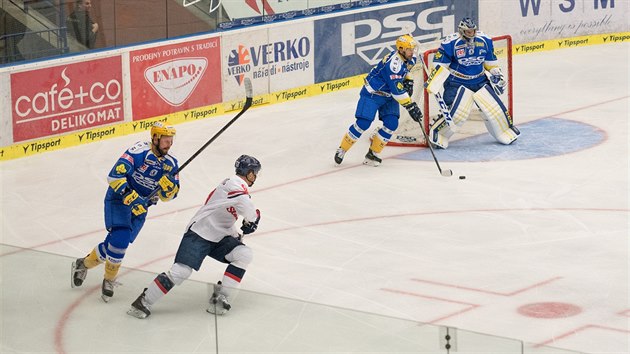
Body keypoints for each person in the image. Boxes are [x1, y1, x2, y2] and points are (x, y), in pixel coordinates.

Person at [127, 155, 262, 319]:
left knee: (244, 254)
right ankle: (144, 301)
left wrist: (237, 234)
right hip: (200, 233)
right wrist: (254, 219)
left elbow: (225, 217)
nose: (255, 177)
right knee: (180, 272)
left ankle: (221, 297)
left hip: (219, 238)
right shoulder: (235, 183)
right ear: (248, 172)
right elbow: (248, 210)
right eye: (254, 173)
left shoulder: (236, 191)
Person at [71, 122, 180, 302]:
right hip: (119, 199)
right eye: (166, 140)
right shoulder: (138, 152)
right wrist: (132, 196)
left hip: (141, 207)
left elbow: (170, 196)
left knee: (113, 247)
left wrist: (168, 191)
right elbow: (114, 176)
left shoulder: (171, 163)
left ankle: (82, 264)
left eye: (171, 140)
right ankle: (109, 280)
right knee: (120, 242)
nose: (169, 144)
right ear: (155, 138)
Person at [425, 17, 520, 149]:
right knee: (457, 114)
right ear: (462, 31)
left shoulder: (484, 40)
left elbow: (490, 63)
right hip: (457, 82)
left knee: (495, 111)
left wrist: (497, 75)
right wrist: (434, 79)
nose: (471, 33)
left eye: (473, 30)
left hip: (480, 80)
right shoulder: (451, 42)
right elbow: (439, 65)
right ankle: (438, 134)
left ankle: (505, 132)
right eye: (468, 31)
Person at [334, 34, 423, 167]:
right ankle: (342, 149)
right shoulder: (393, 65)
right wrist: (411, 106)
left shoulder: (408, 57)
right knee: (363, 123)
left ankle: (372, 154)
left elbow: (407, 69)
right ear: (401, 49)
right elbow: (397, 92)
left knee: (392, 124)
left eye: (412, 49)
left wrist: (409, 80)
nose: (412, 52)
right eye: (410, 49)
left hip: (388, 96)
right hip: (373, 93)